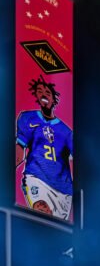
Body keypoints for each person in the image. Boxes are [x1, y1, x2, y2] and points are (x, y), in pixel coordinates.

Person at [15, 75, 74, 220]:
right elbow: (19, 151)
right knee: (41, 210)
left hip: (63, 189)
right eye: (39, 91)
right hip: (37, 178)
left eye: (47, 92)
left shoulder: (66, 132)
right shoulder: (28, 118)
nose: (43, 94)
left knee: (55, 228)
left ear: (54, 99)